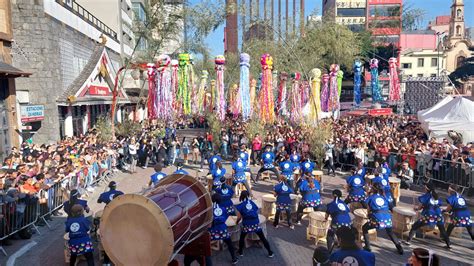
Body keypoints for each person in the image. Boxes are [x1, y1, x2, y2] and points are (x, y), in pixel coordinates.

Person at [362, 183, 403, 255]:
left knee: (364, 228)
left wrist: (368, 195)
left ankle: (367, 247)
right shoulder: (385, 197)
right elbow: (391, 207)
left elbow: (365, 205)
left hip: (377, 219)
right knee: (390, 233)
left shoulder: (371, 197)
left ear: (373, 189)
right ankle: (399, 248)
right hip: (387, 219)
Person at [404, 182, 449, 247]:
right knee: (442, 230)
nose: (424, 188)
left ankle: (408, 241)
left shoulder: (426, 196)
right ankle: (448, 244)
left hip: (429, 216)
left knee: (415, 226)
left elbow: (420, 207)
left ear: (427, 189)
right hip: (439, 216)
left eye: (425, 187)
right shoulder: (436, 196)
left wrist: (416, 209)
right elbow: (437, 204)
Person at [235, 191, 274, 258]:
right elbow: (255, 211)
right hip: (255, 224)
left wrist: (237, 222)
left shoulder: (241, 205)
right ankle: (270, 252)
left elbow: (239, 217)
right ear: (248, 195)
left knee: (242, 238)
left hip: (246, 225)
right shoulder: (252, 203)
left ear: (241, 196)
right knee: (263, 238)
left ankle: (240, 252)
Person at [208, 193, 238, 264]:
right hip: (223, 230)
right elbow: (225, 218)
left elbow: (209, 220)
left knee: (207, 245)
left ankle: (207, 260)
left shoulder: (210, 209)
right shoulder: (223, 209)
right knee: (229, 244)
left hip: (213, 231)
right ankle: (234, 258)